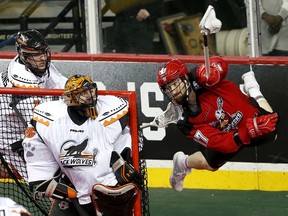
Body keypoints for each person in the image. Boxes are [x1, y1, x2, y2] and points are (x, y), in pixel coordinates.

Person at [22, 74, 142, 215]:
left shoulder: (112, 112)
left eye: (91, 91)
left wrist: (120, 160)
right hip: (71, 186)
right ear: (71, 98)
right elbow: (35, 148)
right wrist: (43, 178)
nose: (90, 96)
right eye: (83, 94)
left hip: (109, 189)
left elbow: (128, 138)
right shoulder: (50, 119)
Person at [156, 57, 278, 192]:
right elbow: (219, 142)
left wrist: (215, 69)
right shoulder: (184, 121)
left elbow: (222, 65)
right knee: (211, 165)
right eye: (168, 88)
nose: (173, 91)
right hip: (227, 133)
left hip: (243, 110)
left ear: (185, 78)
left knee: (273, 130)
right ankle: (182, 164)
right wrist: (246, 133)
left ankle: (253, 90)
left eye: (175, 84)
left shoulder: (199, 77)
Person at [0, 29, 67, 179]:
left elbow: (63, 85)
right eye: (36, 54)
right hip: (12, 138)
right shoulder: (21, 82)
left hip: (25, 125)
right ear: (24, 55)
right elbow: (41, 126)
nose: (43, 58)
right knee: (46, 182)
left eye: (43, 52)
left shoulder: (37, 64)